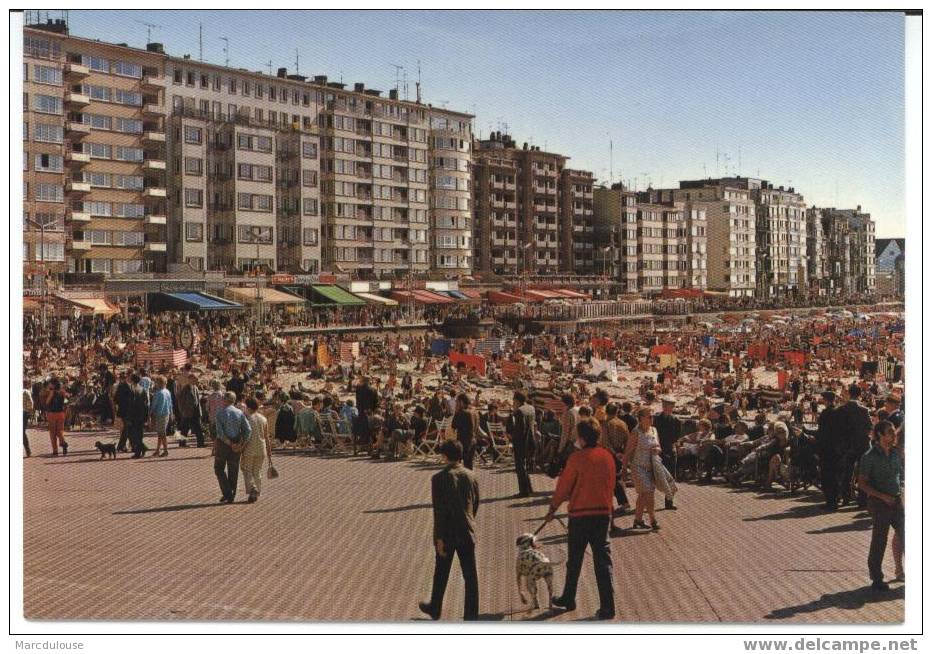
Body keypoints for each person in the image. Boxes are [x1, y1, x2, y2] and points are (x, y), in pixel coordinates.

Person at [546, 417, 616, 620]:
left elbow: (564, 487)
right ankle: (608, 606)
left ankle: (569, 598)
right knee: (603, 562)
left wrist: (552, 508)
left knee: (574, 560)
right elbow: (611, 484)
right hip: (602, 513)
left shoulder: (576, 459)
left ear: (582, 438)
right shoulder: (607, 456)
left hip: (580, 515)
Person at [419, 439, 480, 621]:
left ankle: (435, 607)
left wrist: (438, 537)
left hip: (447, 532)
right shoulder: (471, 475)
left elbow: (439, 510)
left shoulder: (438, 478)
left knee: (441, 572)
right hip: (467, 530)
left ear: (445, 456)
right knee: (470, 575)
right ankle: (471, 615)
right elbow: (476, 502)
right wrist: (470, 520)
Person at [858, 420, 904, 591]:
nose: (893, 435)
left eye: (893, 432)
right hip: (879, 504)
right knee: (880, 540)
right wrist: (882, 496)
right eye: (890, 432)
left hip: (897, 501)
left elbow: (900, 475)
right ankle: (877, 577)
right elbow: (862, 483)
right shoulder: (869, 457)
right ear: (879, 435)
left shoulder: (895, 453)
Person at [623, 407, 662, 531]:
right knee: (649, 492)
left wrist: (657, 450)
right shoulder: (636, 432)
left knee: (643, 495)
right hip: (638, 467)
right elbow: (628, 452)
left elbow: (659, 446)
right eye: (649, 416)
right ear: (641, 419)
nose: (652, 419)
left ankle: (638, 520)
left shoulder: (654, 430)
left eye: (652, 416)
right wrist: (624, 469)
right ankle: (653, 520)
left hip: (651, 467)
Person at [837, 384, 873, 507]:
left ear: (849, 393)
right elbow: (869, 427)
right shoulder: (864, 410)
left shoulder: (841, 410)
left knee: (847, 473)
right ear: (859, 394)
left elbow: (839, 430)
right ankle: (862, 501)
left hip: (847, 446)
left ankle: (845, 498)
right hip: (862, 445)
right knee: (862, 474)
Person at [213, 391, 252, 504]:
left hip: (223, 445)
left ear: (225, 400)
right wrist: (242, 443)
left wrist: (229, 443)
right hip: (237, 442)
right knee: (233, 469)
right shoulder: (240, 413)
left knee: (219, 468)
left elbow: (220, 433)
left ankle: (227, 492)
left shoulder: (220, 413)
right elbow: (248, 430)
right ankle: (231, 494)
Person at [602, 403, 631, 532]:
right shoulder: (622, 424)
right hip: (620, 454)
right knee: (616, 478)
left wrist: (614, 453)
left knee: (610, 481)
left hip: (609, 455)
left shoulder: (606, 424)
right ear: (617, 411)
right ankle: (623, 502)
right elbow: (628, 439)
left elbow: (605, 442)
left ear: (606, 411)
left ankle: (618, 505)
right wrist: (623, 454)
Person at [813, 390, 843, 511]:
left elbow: (822, 433)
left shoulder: (826, 413)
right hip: (837, 449)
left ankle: (830, 502)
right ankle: (835, 499)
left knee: (827, 477)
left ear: (826, 400)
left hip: (827, 449)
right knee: (835, 476)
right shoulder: (839, 412)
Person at [653, 396, 681, 510]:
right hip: (657, 449)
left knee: (671, 477)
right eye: (664, 405)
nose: (666, 407)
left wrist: (671, 447)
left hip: (669, 449)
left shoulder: (676, 420)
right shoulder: (656, 418)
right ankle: (648, 501)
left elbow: (676, 437)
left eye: (669, 405)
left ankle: (669, 501)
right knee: (653, 477)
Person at [506, 391, 536, 497]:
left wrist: (512, 437)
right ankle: (529, 488)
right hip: (531, 441)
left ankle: (524, 491)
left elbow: (520, 430)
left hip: (521, 442)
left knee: (520, 467)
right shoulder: (531, 408)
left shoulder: (519, 411)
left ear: (517, 401)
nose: (513, 403)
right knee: (524, 466)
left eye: (514, 401)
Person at [241, 397, 271, 503]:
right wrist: (269, 450)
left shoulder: (246, 418)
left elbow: (244, 435)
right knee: (257, 471)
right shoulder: (263, 419)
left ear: (248, 407)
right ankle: (257, 491)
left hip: (249, 448)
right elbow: (267, 436)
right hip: (261, 448)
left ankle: (252, 488)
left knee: (246, 469)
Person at [451, 393, 481, 470]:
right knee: (469, 466)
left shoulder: (462, 412)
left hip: (463, 441)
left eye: (457, 402)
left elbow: (453, 426)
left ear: (461, 402)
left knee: (458, 467)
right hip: (473, 441)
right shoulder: (475, 412)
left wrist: (456, 412)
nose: (456, 404)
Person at [126, 373, 150, 458]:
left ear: (132, 380)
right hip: (141, 415)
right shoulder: (142, 389)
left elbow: (130, 405)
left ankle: (139, 451)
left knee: (132, 435)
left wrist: (128, 417)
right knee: (139, 434)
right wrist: (146, 416)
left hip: (133, 416)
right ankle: (142, 448)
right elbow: (146, 403)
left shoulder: (131, 390)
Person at [178, 374, 205, 447]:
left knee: (197, 428)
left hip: (195, 411)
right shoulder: (185, 388)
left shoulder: (195, 387)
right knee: (185, 429)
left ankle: (200, 443)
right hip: (187, 412)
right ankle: (182, 443)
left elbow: (196, 399)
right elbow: (181, 400)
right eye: (195, 379)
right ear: (190, 379)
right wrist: (182, 410)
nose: (196, 380)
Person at [43, 379, 68, 456]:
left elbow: (47, 403)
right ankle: (63, 443)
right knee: (60, 431)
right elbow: (66, 402)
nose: (49, 385)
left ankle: (55, 450)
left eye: (50, 384)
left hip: (52, 414)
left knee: (52, 433)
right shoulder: (63, 392)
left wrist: (50, 393)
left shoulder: (51, 392)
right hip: (61, 413)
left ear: (53, 385)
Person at [149, 376, 173, 458]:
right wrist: (171, 414)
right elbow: (170, 404)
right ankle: (158, 450)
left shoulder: (158, 393)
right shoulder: (167, 391)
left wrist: (150, 413)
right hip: (166, 414)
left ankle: (166, 450)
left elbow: (154, 405)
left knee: (162, 433)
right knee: (160, 433)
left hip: (159, 414)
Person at [112, 371, 134, 452]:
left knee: (126, 428)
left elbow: (115, 399)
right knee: (126, 429)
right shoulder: (126, 386)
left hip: (123, 410)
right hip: (126, 410)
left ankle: (124, 445)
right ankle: (121, 446)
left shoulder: (120, 386)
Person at [23, 380, 33, 458]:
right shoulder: (26, 392)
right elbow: (30, 403)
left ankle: (28, 450)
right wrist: (29, 412)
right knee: (22, 432)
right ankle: (27, 450)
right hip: (23, 413)